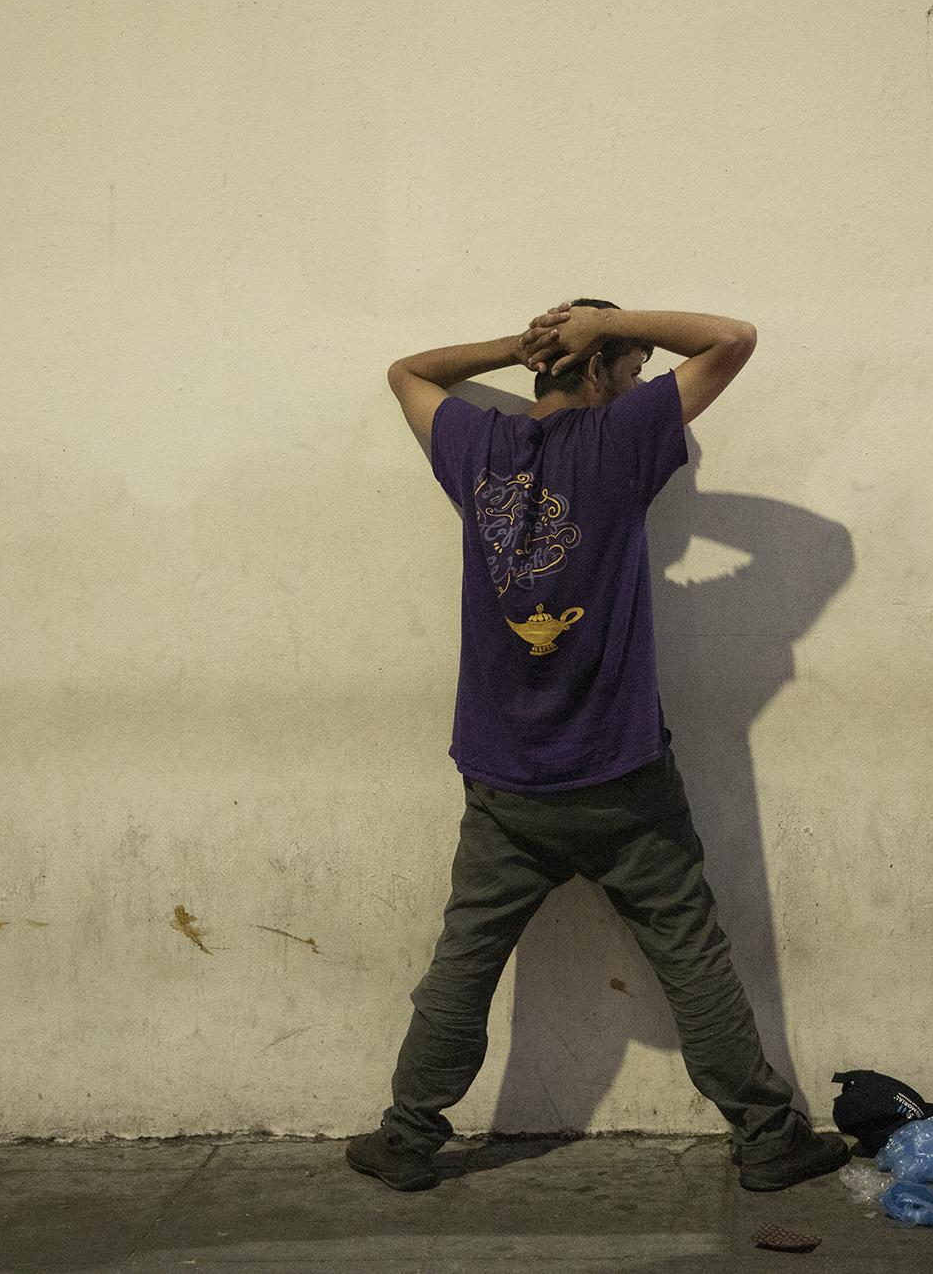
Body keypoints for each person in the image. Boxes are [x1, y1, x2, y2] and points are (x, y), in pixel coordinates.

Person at [347, 299, 850, 1193]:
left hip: (504, 778)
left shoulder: (477, 447)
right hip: (620, 774)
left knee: (465, 959)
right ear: (593, 369)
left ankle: (407, 1134)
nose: (644, 382)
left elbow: (406, 371)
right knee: (690, 951)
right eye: (632, 365)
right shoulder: (619, 444)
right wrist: (588, 331)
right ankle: (768, 1138)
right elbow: (734, 339)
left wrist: (518, 345)